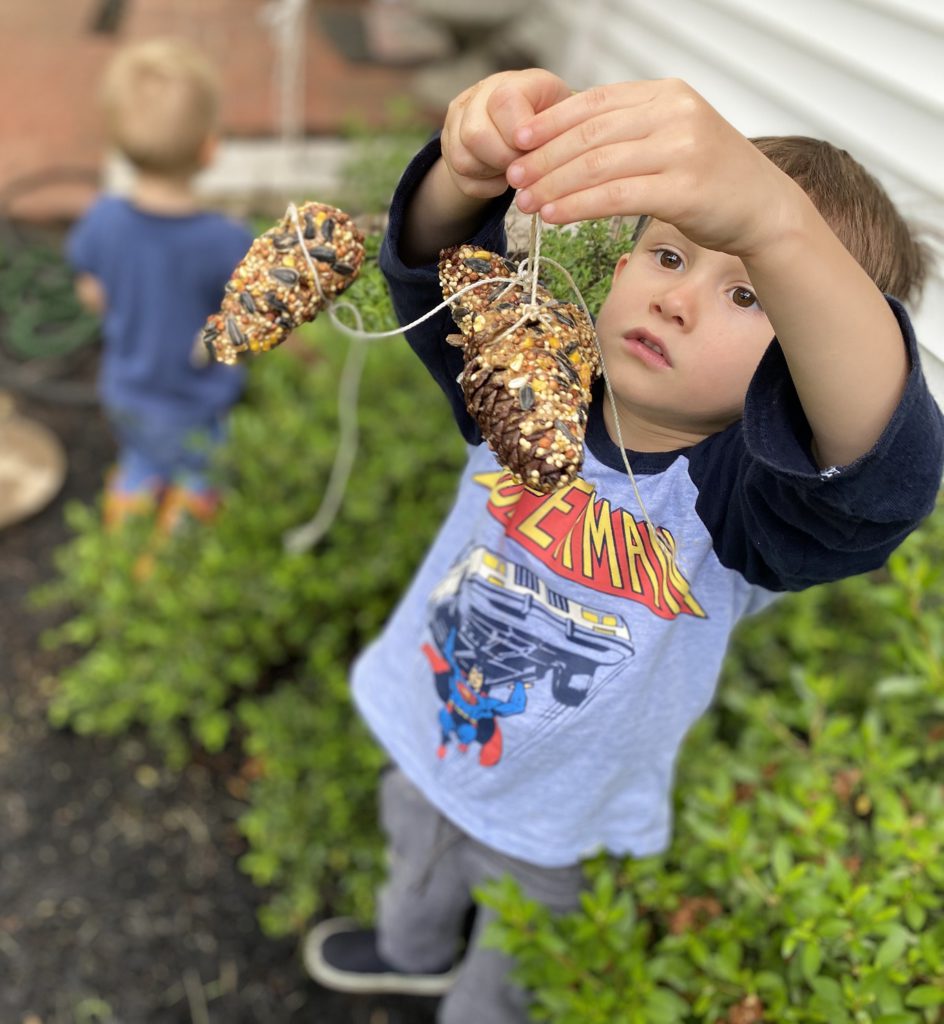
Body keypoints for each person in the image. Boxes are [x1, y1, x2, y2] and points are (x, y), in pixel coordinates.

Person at [303, 70, 944, 1023]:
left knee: (512, 972)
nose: (679, 301)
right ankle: (411, 950)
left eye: (748, 293)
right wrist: (463, 170)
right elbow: (437, 268)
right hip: (434, 718)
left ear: (805, 371)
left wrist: (781, 228)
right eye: (669, 257)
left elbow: (880, 474)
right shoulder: (531, 376)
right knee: (416, 856)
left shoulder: (748, 504)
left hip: (557, 815)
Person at [67, 38, 253, 532]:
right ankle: (179, 541)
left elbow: (92, 294)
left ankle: (129, 508)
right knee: (197, 470)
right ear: (209, 148)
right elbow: (251, 315)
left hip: (124, 392)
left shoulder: (101, 220)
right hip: (194, 403)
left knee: (142, 457)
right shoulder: (224, 240)